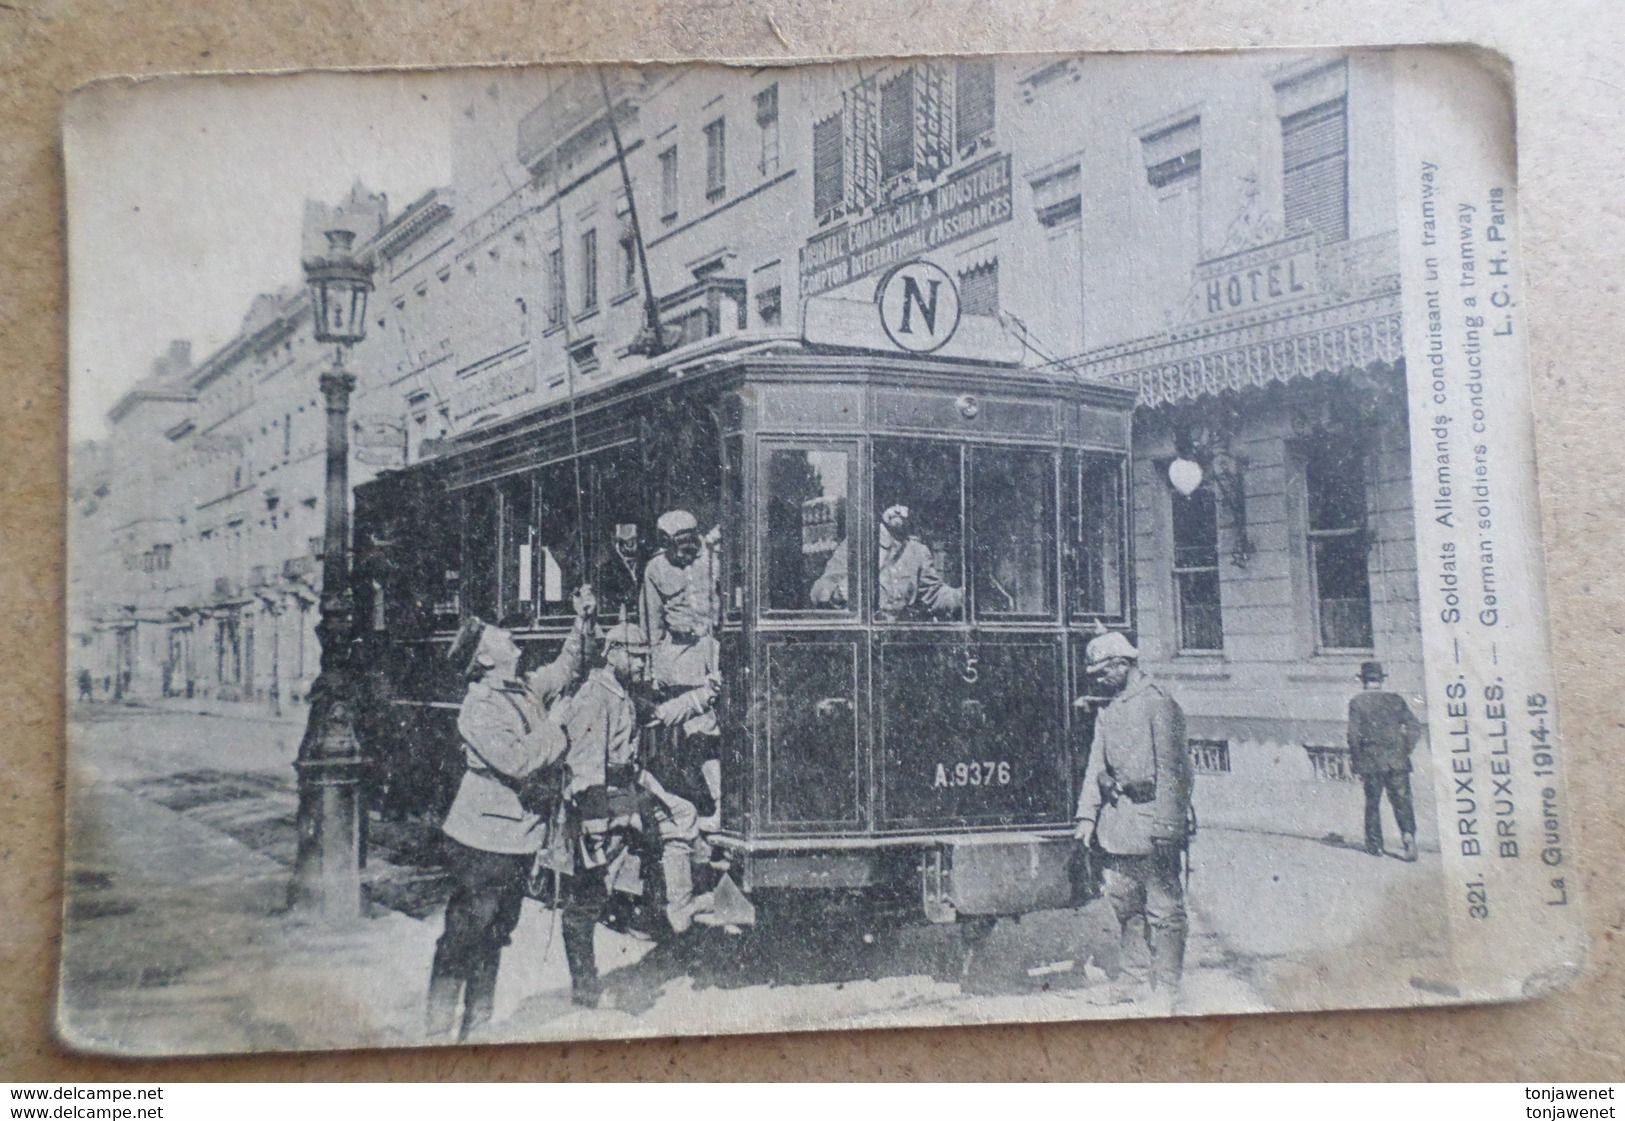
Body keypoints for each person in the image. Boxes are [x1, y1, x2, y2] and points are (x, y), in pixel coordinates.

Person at [425, 587, 594, 1041]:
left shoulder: (520, 688)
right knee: (463, 937)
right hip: (482, 842)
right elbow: (517, 760)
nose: (510, 636)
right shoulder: (479, 706)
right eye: (500, 635)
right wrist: (557, 726)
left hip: (515, 840)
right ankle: (437, 1037)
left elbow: (564, 669)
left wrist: (581, 622)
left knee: (495, 935)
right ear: (484, 657)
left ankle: (475, 1030)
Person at [549, 621, 712, 1006]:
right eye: (636, 656)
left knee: (680, 815)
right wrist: (595, 827)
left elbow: (660, 713)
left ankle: (679, 906)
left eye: (644, 656)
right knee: (587, 898)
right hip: (604, 802)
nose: (642, 664)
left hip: (629, 790)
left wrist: (706, 694)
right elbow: (586, 768)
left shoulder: (621, 692)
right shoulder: (595, 696)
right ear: (613, 653)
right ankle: (585, 989)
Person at [1073, 631, 1193, 1010]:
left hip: (1152, 825)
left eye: (1103, 672)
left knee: (1164, 910)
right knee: (1125, 905)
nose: (1097, 680)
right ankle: (1133, 977)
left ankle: (1167, 986)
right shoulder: (1109, 709)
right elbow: (1096, 766)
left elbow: (1176, 772)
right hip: (1118, 826)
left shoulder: (1159, 704)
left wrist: (1168, 828)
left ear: (1123, 665)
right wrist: (1086, 817)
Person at [810, 505, 963, 619]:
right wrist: (837, 594)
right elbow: (819, 590)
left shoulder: (917, 551)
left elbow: (935, 594)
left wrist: (963, 596)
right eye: (892, 505)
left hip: (898, 642)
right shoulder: (855, 545)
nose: (898, 510)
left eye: (902, 505)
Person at [1348, 660, 1423, 861]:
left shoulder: (1357, 702)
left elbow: (1353, 736)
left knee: (1373, 803)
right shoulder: (1396, 700)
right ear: (1381, 680)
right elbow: (1415, 727)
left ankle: (1375, 846)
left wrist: (1356, 761)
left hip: (1371, 762)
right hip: (1397, 760)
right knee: (1402, 801)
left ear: (1362, 681)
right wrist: (1405, 748)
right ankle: (1408, 836)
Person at [641, 509, 719, 691]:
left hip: (713, 652)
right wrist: (653, 670)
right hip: (678, 656)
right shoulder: (655, 568)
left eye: (688, 546)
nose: (683, 556)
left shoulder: (712, 560)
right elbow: (652, 625)